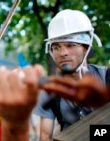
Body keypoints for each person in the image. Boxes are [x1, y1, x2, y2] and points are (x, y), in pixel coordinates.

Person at [33, 9, 109, 141]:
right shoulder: (50, 91)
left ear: (86, 47)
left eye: (70, 45)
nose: (63, 53)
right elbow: (45, 136)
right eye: (56, 47)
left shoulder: (106, 77)